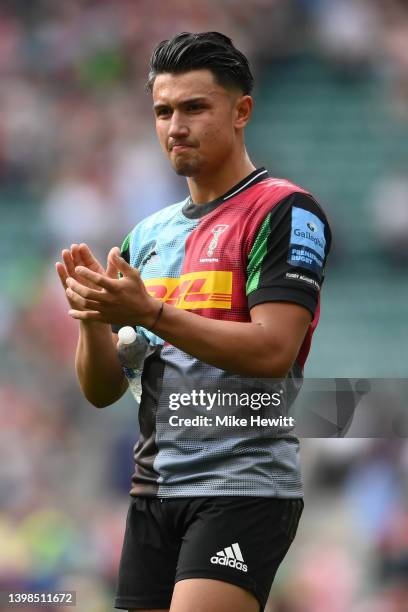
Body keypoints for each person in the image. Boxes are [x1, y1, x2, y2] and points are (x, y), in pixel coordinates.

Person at [56, 32, 332, 612]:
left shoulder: (284, 210)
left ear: (241, 112)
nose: (175, 125)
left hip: (243, 484)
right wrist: (91, 316)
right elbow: (104, 389)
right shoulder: (147, 236)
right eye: (163, 111)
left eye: (194, 107)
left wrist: (150, 311)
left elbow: (272, 350)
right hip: (153, 490)